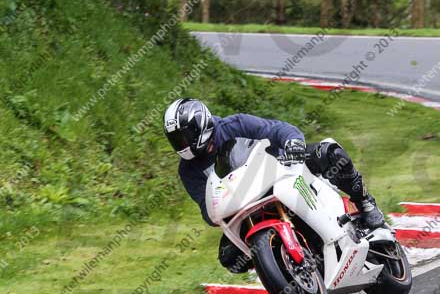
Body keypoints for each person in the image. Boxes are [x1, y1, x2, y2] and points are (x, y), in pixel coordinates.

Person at [164, 97, 385, 273]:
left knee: (330, 153)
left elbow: (276, 129)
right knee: (230, 258)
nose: (181, 144)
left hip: (281, 169)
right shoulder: (188, 170)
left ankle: (364, 202)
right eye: (176, 140)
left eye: (183, 137)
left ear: (199, 127)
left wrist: (293, 142)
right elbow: (206, 207)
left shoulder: (235, 124)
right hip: (244, 204)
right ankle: (281, 266)